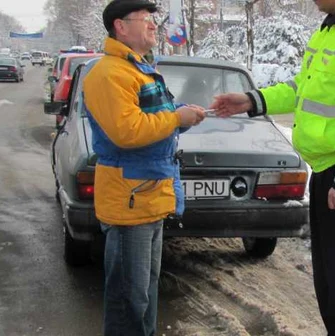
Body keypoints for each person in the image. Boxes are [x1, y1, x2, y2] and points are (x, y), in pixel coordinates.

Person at [210, 0, 335, 334]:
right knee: (331, 284)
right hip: (329, 170)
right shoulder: (333, 28)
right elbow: (302, 89)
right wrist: (252, 100)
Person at [83, 0, 206, 335]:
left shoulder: (139, 68)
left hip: (148, 195)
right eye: (145, 19)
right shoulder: (109, 73)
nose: (154, 25)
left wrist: (183, 113)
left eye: (154, 19)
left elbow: (156, 114)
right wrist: (176, 118)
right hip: (129, 202)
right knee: (129, 299)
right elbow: (127, 131)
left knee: (145, 293)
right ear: (120, 26)